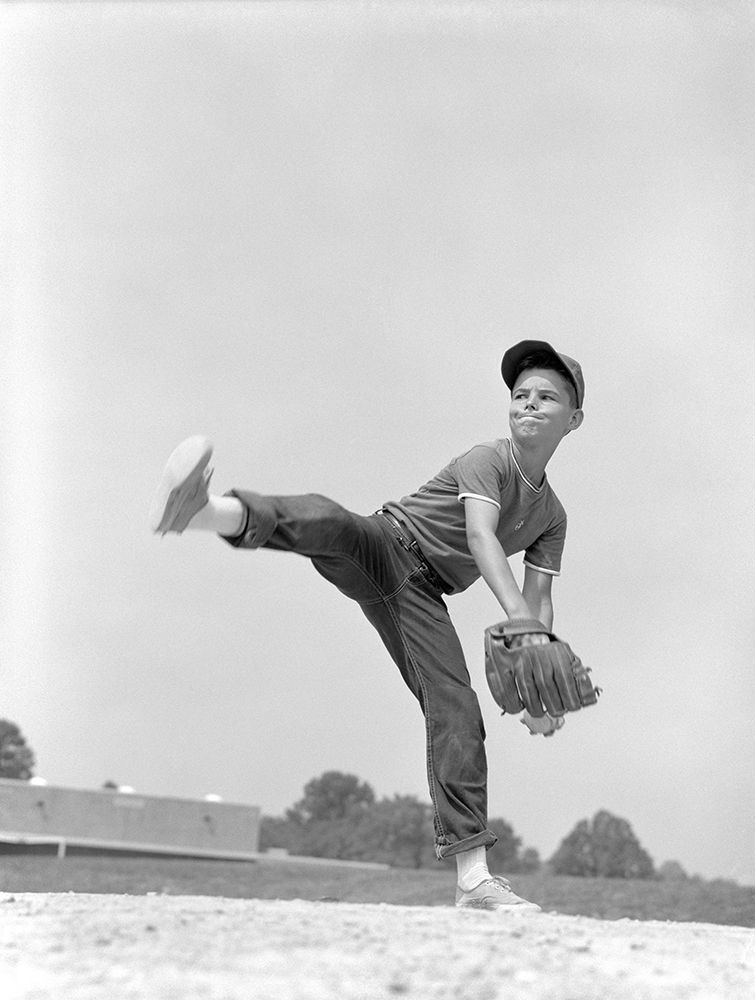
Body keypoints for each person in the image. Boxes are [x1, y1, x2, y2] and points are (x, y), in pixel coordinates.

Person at [150, 340, 585, 909]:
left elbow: (539, 598)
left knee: (455, 707)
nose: (528, 403)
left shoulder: (552, 516)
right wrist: (524, 625)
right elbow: (481, 538)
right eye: (520, 394)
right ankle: (204, 511)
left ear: (573, 420)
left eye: (546, 397)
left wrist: (538, 691)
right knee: (331, 521)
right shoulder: (489, 459)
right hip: (385, 544)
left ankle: (474, 880)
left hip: (421, 597)